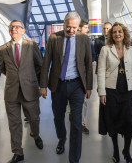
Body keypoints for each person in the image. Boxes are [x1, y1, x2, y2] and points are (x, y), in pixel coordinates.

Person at [40, 12, 93, 163]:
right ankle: (62, 138)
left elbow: (88, 64)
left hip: (77, 85)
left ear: (79, 27)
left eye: (74, 27)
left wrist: (88, 86)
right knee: (58, 116)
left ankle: (74, 159)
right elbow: (46, 63)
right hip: (58, 85)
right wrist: (43, 85)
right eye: (68, 27)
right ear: (63, 24)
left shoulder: (84, 39)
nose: (71, 30)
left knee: (76, 122)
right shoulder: (54, 38)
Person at [0, 20, 43, 163]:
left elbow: (40, 65)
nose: (14, 29)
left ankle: (35, 135)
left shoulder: (31, 45)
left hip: (30, 89)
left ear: (23, 30)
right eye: (12, 27)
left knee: (34, 118)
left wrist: (31, 79)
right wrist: (14, 77)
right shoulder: (3, 49)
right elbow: (1, 67)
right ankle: (18, 152)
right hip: (11, 91)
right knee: (14, 123)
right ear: (9, 30)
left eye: (18, 27)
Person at [97, 22, 132, 163]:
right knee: (113, 121)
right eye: (114, 32)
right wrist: (102, 92)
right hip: (111, 91)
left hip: (127, 91)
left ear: (124, 34)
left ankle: (126, 151)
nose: (117, 34)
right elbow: (100, 71)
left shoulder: (131, 49)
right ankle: (116, 151)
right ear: (111, 35)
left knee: (129, 121)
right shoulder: (105, 49)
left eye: (119, 32)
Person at [78, 20, 95, 134]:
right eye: (85, 27)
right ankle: (75, 119)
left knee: (83, 99)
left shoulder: (88, 41)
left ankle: (82, 123)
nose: (87, 30)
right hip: (71, 76)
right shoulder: (69, 40)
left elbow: (92, 56)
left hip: (83, 74)